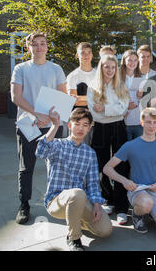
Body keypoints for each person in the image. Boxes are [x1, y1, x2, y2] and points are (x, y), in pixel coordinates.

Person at [35, 108, 112, 251]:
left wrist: (96, 204)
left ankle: (76, 220)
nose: (80, 128)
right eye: (77, 124)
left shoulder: (90, 153)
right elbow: (40, 151)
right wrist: (55, 126)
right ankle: (74, 238)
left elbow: (93, 182)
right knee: (77, 193)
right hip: (56, 201)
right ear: (69, 125)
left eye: (85, 125)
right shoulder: (57, 144)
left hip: (80, 200)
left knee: (105, 230)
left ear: (89, 128)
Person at [11, 32, 66, 225]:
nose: (39, 47)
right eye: (35, 44)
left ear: (47, 46)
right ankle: (24, 204)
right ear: (28, 47)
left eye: (42, 43)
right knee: (27, 166)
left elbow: (62, 95)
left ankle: (57, 201)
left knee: (55, 166)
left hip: (52, 125)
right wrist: (37, 115)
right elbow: (16, 97)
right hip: (29, 125)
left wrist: (49, 117)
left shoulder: (56, 68)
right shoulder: (21, 68)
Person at [103, 108, 156, 236]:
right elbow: (107, 168)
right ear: (141, 123)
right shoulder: (130, 146)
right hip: (138, 190)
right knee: (146, 203)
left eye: (155, 122)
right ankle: (137, 215)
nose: (151, 126)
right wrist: (125, 181)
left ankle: (152, 211)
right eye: (148, 122)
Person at [87, 54, 130, 224]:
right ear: (101, 68)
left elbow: (123, 108)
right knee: (101, 164)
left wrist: (104, 108)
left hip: (118, 127)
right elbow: (94, 111)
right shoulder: (93, 87)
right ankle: (108, 199)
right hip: (100, 128)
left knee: (120, 165)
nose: (110, 70)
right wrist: (111, 109)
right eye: (107, 67)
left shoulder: (121, 86)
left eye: (113, 67)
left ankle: (121, 207)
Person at [120, 49, 144, 140]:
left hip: (138, 121)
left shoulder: (141, 77)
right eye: (129, 60)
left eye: (135, 60)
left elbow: (143, 101)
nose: (132, 63)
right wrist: (126, 107)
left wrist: (140, 97)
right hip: (123, 120)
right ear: (124, 61)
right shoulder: (118, 78)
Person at [66, 42, 97, 109]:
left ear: (92, 55)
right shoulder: (72, 76)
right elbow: (74, 102)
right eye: (83, 53)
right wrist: (94, 100)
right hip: (80, 115)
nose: (86, 56)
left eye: (89, 52)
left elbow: (103, 98)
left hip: (98, 116)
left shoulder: (98, 75)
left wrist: (80, 98)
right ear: (77, 55)